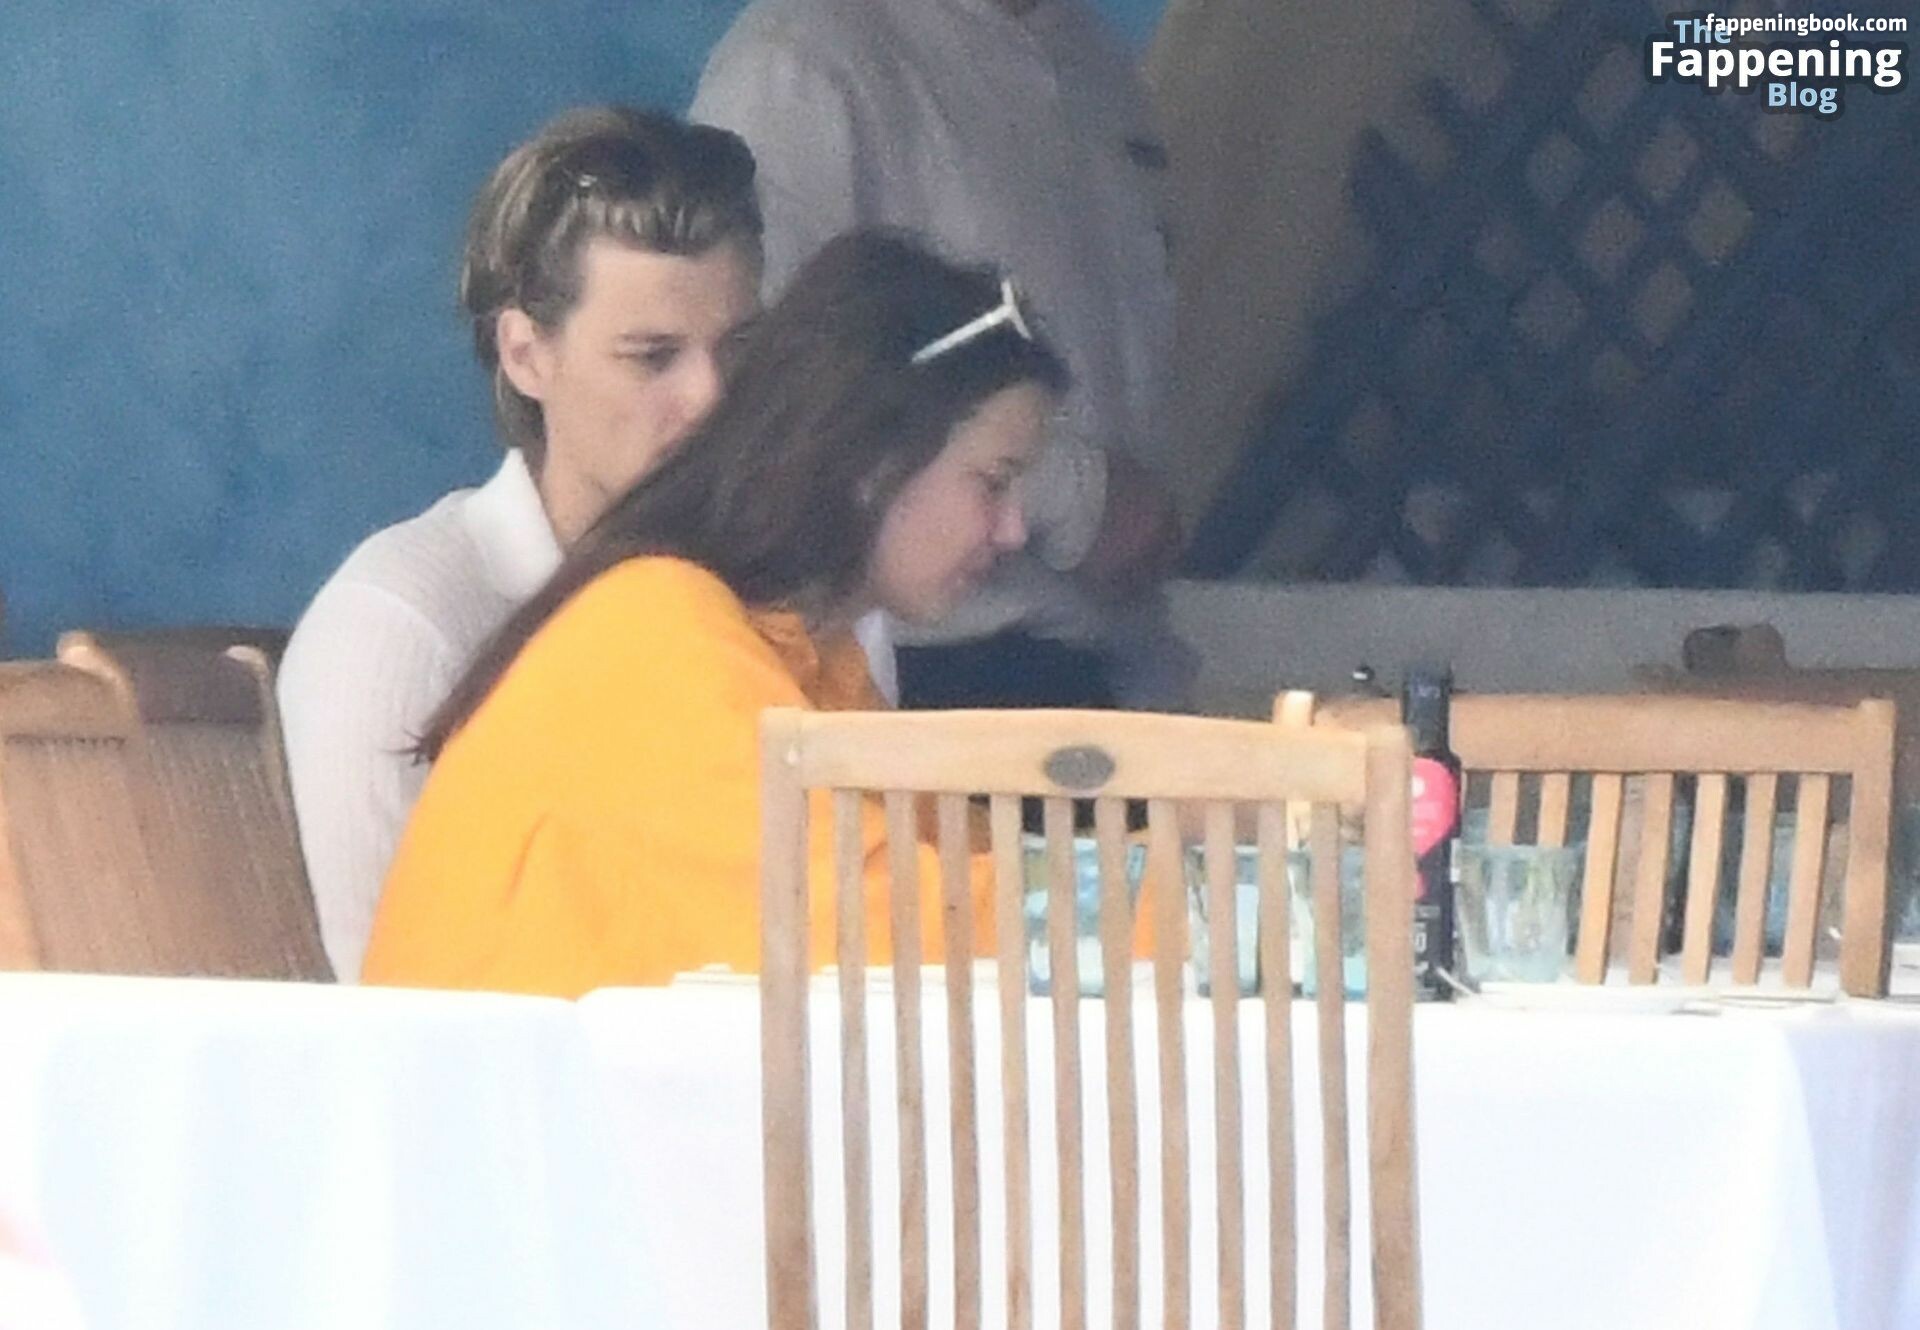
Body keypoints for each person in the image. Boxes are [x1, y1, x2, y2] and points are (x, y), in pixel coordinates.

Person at [360, 232, 1067, 998]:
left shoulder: (811, 658)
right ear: (871, 462)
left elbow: (969, 871)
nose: (1013, 530)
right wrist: (1153, 899)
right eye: (993, 481)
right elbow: (889, 927)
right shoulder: (656, 638)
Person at [277, 106, 777, 982]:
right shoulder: (401, 625)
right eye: (651, 356)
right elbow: (385, 1005)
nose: (710, 398)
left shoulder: (795, 601)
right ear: (524, 354)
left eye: (738, 351)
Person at [690, 0, 1192, 710]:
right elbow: (760, 383)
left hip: (1113, 663)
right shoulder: (801, 61)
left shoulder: (1096, 63)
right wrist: (1072, 498)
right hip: (920, 668)